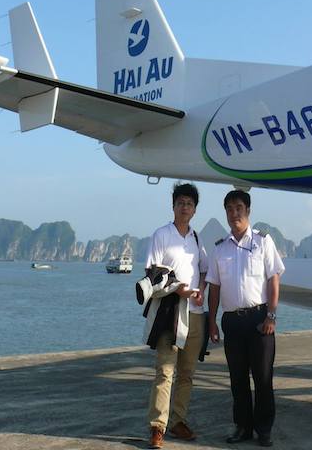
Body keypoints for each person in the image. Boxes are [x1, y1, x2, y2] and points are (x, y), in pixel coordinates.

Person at [206, 190, 285, 447]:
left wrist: (271, 315)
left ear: (248, 211)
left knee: (262, 378)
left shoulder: (263, 242)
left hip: (259, 319)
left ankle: (264, 430)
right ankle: (243, 427)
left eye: (238, 207)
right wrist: (212, 322)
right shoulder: (219, 249)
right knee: (237, 378)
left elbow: (274, 279)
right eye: (229, 208)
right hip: (232, 321)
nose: (234, 213)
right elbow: (214, 288)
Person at [144, 183, 208, 449]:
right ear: (173, 206)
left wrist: (201, 290)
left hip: (195, 314)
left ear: (194, 210)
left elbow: (204, 270)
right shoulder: (161, 235)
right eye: (181, 202)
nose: (185, 207)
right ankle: (158, 426)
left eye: (189, 204)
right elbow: (151, 274)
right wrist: (176, 290)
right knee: (165, 371)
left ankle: (178, 420)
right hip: (170, 311)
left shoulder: (196, 238)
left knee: (187, 373)